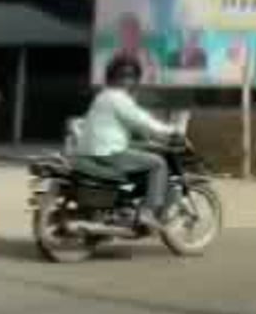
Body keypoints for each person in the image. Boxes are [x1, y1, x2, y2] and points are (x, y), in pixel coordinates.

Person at [77, 55, 181, 227]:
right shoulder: (118, 98)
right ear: (113, 77)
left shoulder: (103, 96)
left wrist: (148, 140)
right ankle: (147, 212)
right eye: (123, 75)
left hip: (93, 150)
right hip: (108, 152)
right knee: (158, 164)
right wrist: (171, 131)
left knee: (141, 156)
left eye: (131, 76)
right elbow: (142, 120)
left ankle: (125, 205)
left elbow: (131, 125)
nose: (127, 80)